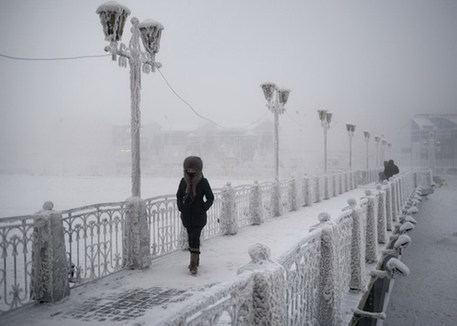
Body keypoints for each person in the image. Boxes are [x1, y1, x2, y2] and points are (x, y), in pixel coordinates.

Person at [176, 156, 214, 275]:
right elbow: (178, 195)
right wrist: (181, 207)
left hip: (199, 215)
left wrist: (204, 207)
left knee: (195, 237)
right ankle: (196, 259)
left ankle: (193, 264)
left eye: (193, 169)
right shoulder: (183, 181)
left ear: (198, 169)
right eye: (188, 169)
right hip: (187, 215)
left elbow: (210, 197)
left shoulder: (203, 181)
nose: (190, 171)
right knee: (190, 238)